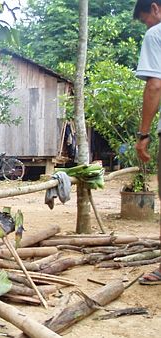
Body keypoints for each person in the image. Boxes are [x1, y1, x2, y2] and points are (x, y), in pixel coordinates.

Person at [133, 0, 161, 285]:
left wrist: (143, 134)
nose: (147, 26)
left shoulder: (157, 34)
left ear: (155, 8)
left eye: (145, 20)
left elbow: (155, 85)